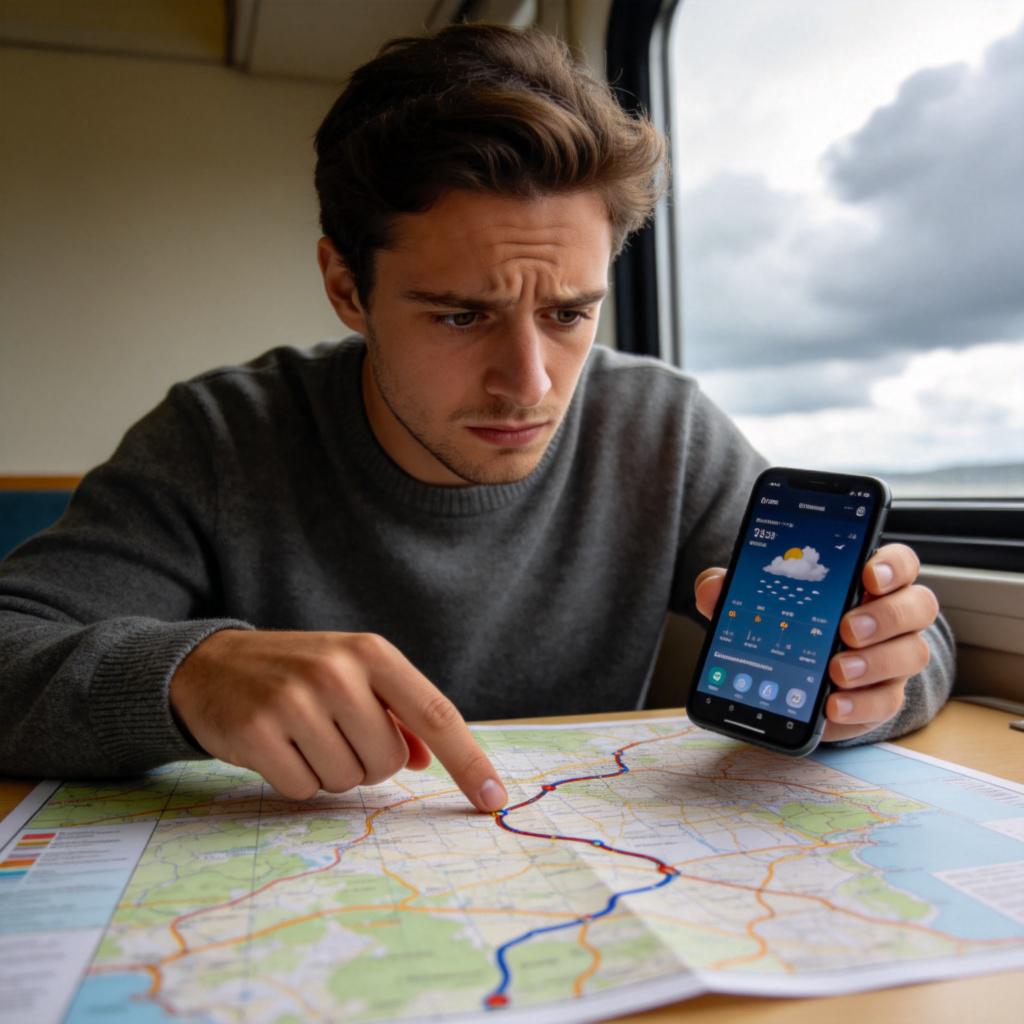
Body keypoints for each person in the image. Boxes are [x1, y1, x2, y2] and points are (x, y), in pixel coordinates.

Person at [0, 24, 951, 811]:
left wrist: (868, 676)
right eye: (462, 315)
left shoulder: (663, 429)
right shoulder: (217, 437)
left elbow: (910, 644)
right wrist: (189, 673)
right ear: (346, 286)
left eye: (569, 313)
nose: (529, 383)